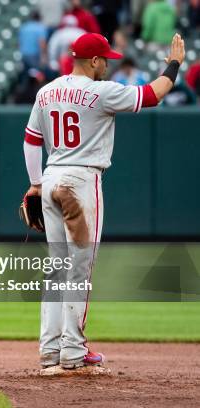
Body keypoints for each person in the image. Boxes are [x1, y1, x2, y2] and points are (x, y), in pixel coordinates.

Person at [22, 33, 185, 372]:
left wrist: (36, 184)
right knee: (80, 270)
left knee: (57, 270)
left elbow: (31, 140)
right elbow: (153, 94)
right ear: (93, 61)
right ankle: (73, 351)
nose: (107, 64)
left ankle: (50, 351)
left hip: (51, 177)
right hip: (81, 181)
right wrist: (174, 64)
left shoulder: (47, 91)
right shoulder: (101, 91)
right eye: (104, 59)